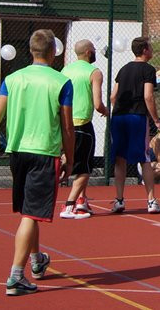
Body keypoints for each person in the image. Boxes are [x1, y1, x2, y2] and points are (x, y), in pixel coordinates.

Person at [0, 29, 75, 296]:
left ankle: (36, 260)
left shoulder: (12, 79)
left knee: (31, 210)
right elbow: (67, 127)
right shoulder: (61, 82)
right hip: (43, 152)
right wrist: (70, 158)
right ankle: (16, 276)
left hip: (17, 152)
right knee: (31, 214)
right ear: (53, 52)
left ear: (30, 51)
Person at [110, 37, 160, 214]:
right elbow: (148, 96)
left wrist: (121, 110)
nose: (152, 49)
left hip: (118, 117)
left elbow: (113, 96)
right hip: (137, 117)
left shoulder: (123, 69)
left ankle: (119, 200)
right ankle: (151, 201)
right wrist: (156, 120)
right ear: (144, 50)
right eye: (150, 47)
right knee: (145, 158)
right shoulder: (148, 69)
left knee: (120, 158)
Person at [59, 39, 108, 219]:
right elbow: (97, 103)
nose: (95, 51)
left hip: (64, 123)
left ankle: (82, 200)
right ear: (88, 52)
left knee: (78, 163)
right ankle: (69, 205)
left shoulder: (65, 70)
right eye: (93, 49)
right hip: (82, 124)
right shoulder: (94, 72)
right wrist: (106, 111)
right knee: (85, 169)